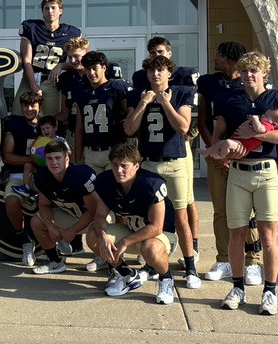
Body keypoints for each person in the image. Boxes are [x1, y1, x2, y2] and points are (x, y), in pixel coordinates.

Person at [211, 51, 278, 316]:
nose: (249, 75)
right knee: (236, 234)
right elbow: (219, 136)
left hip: (266, 171)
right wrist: (220, 154)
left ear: (264, 74)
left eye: (255, 71)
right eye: (245, 70)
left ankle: (270, 291)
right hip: (238, 173)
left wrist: (260, 133)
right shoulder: (229, 100)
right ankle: (237, 287)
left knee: (268, 235)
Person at [123, 53, 200, 288]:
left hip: (174, 161)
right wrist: (145, 103)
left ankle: (190, 267)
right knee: (152, 216)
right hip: (148, 162)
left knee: (180, 216)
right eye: (151, 71)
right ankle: (152, 264)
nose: (155, 75)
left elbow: (183, 126)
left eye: (160, 70)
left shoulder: (181, 93)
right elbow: (129, 129)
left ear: (169, 73)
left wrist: (165, 101)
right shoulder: (138, 95)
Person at [196, 40, 261, 282]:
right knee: (221, 210)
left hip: (245, 156)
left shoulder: (249, 84)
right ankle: (223, 259)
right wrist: (214, 151)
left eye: (218, 55)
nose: (214, 59)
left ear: (230, 58)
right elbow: (202, 121)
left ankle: (252, 261)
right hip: (217, 155)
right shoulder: (208, 83)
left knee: (248, 211)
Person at [89, 144, 179, 305]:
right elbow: (100, 215)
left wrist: (125, 242)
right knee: (93, 235)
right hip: (132, 231)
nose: (119, 170)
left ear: (136, 166)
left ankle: (166, 279)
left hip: (161, 237)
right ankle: (126, 274)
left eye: (124, 166)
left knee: (149, 249)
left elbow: (156, 227)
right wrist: (103, 236)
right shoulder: (106, 181)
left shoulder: (151, 183)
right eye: (115, 165)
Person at [29, 139, 103, 275]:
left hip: (96, 216)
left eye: (58, 158)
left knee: (94, 235)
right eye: (49, 158)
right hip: (73, 214)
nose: (54, 162)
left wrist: (72, 230)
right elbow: (44, 205)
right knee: (37, 221)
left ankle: (111, 263)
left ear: (67, 159)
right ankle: (55, 262)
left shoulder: (80, 175)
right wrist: (51, 226)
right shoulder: (42, 176)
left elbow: (93, 210)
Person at [15, 0, 81, 116]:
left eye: (53, 7)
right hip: (30, 79)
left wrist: (61, 66)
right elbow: (27, 59)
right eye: (46, 8)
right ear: (42, 11)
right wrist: (33, 84)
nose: (50, 11)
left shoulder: (71, 33)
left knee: (51, 120)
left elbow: (78, 62)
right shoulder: (31, 27)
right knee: (17, 116)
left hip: (52, 82)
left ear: (60, 10)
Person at [0, 89, 43, 266]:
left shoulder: (47, 125)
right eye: (25, 105)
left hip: (42, 177)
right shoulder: (14, 125)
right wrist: (33, 159)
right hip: (18, 175)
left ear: (40, 105)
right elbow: (7, 156)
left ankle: (59, 239)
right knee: (11, 201)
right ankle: (25, 240)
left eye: (33, 104)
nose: (29, 109)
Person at [72, 50, 128, 173]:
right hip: (90, 152)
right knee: (93, 190)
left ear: (104, 67)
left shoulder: (117, 89)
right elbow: (79, 128)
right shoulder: (82, 93)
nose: (91, 73)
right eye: (87, 69)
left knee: (111, 190)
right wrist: (77, 158)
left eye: (94, 68)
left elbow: (130, 120)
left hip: (113, 150)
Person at [201, 108, 278, 163]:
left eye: (266, 115)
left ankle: (221, 156)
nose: (263, 115)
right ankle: (207, 152)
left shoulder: (268, 126)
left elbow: (259, 129)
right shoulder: (264, 123)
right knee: (220, 143)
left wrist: (255, 119)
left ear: (274, 124)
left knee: (227, 143)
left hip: (243, 146)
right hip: (238, 141)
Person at [54, 36, 91, 137]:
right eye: (70, 57)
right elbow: (64, 113)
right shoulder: (65, 78)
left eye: (76, 56)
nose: (73, 60)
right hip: (73, 132)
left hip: (95, 133)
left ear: (87, 54)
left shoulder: (97, 75)